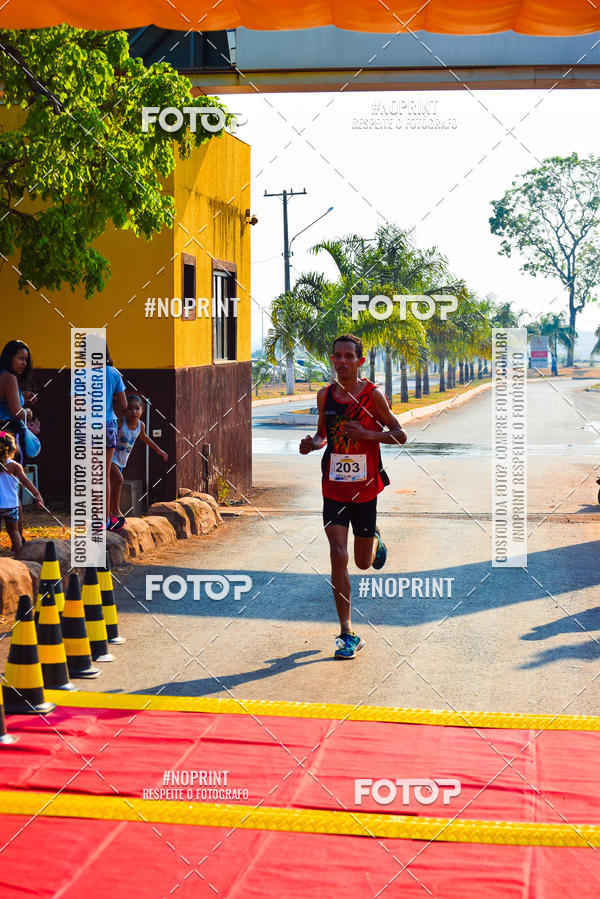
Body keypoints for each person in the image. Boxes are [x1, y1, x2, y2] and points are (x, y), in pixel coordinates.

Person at [299, 334, 407, 659]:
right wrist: (313, 444)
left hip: (365, 490)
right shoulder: (325, 396)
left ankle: (374, 540)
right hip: (333, 488)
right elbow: (323, 435)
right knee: (338, 555)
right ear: (332, 360)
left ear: (360, 361)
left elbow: (400, 435)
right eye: (338, 356)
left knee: (362, 562)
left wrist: (367, 434)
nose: (342, 361)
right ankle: (347, 632)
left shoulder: (373, 395)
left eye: (349, 356)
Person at [108, 394, 167, 531]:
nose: (133, 411)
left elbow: (144, 438)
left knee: (113, 484)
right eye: (130, 409)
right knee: (119, 480)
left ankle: (109, 512)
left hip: (122, 461)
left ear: (142, 410)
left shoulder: (141, 425)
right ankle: (115, 510)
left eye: (137, 408)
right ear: (124, 411)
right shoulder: (120, 423)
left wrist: (158, 450)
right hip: (111, 458)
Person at [0, 431, 43, 556]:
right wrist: (37, 495)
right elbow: (26, 482)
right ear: (13, 449)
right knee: (14, 532)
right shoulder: (15, 466)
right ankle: (19, 555)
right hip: (11, 506)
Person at [105, 347, 128, 530]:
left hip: (86, 426)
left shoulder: (81, 374)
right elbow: (124, 404)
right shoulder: (113, 373)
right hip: (107, 424)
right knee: (105, 475)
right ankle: (105, 519)